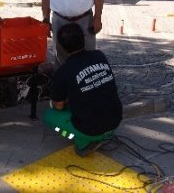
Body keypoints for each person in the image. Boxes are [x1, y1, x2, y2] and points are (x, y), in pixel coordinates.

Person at [43, 23, 122, 157]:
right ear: (84, 38)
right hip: (115, 121)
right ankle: (103, 136)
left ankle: (83, 143)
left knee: (50, 116)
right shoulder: (99, 55)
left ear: (61, 47)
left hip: (90, 129)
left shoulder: (63, 71)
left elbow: (58, 106)